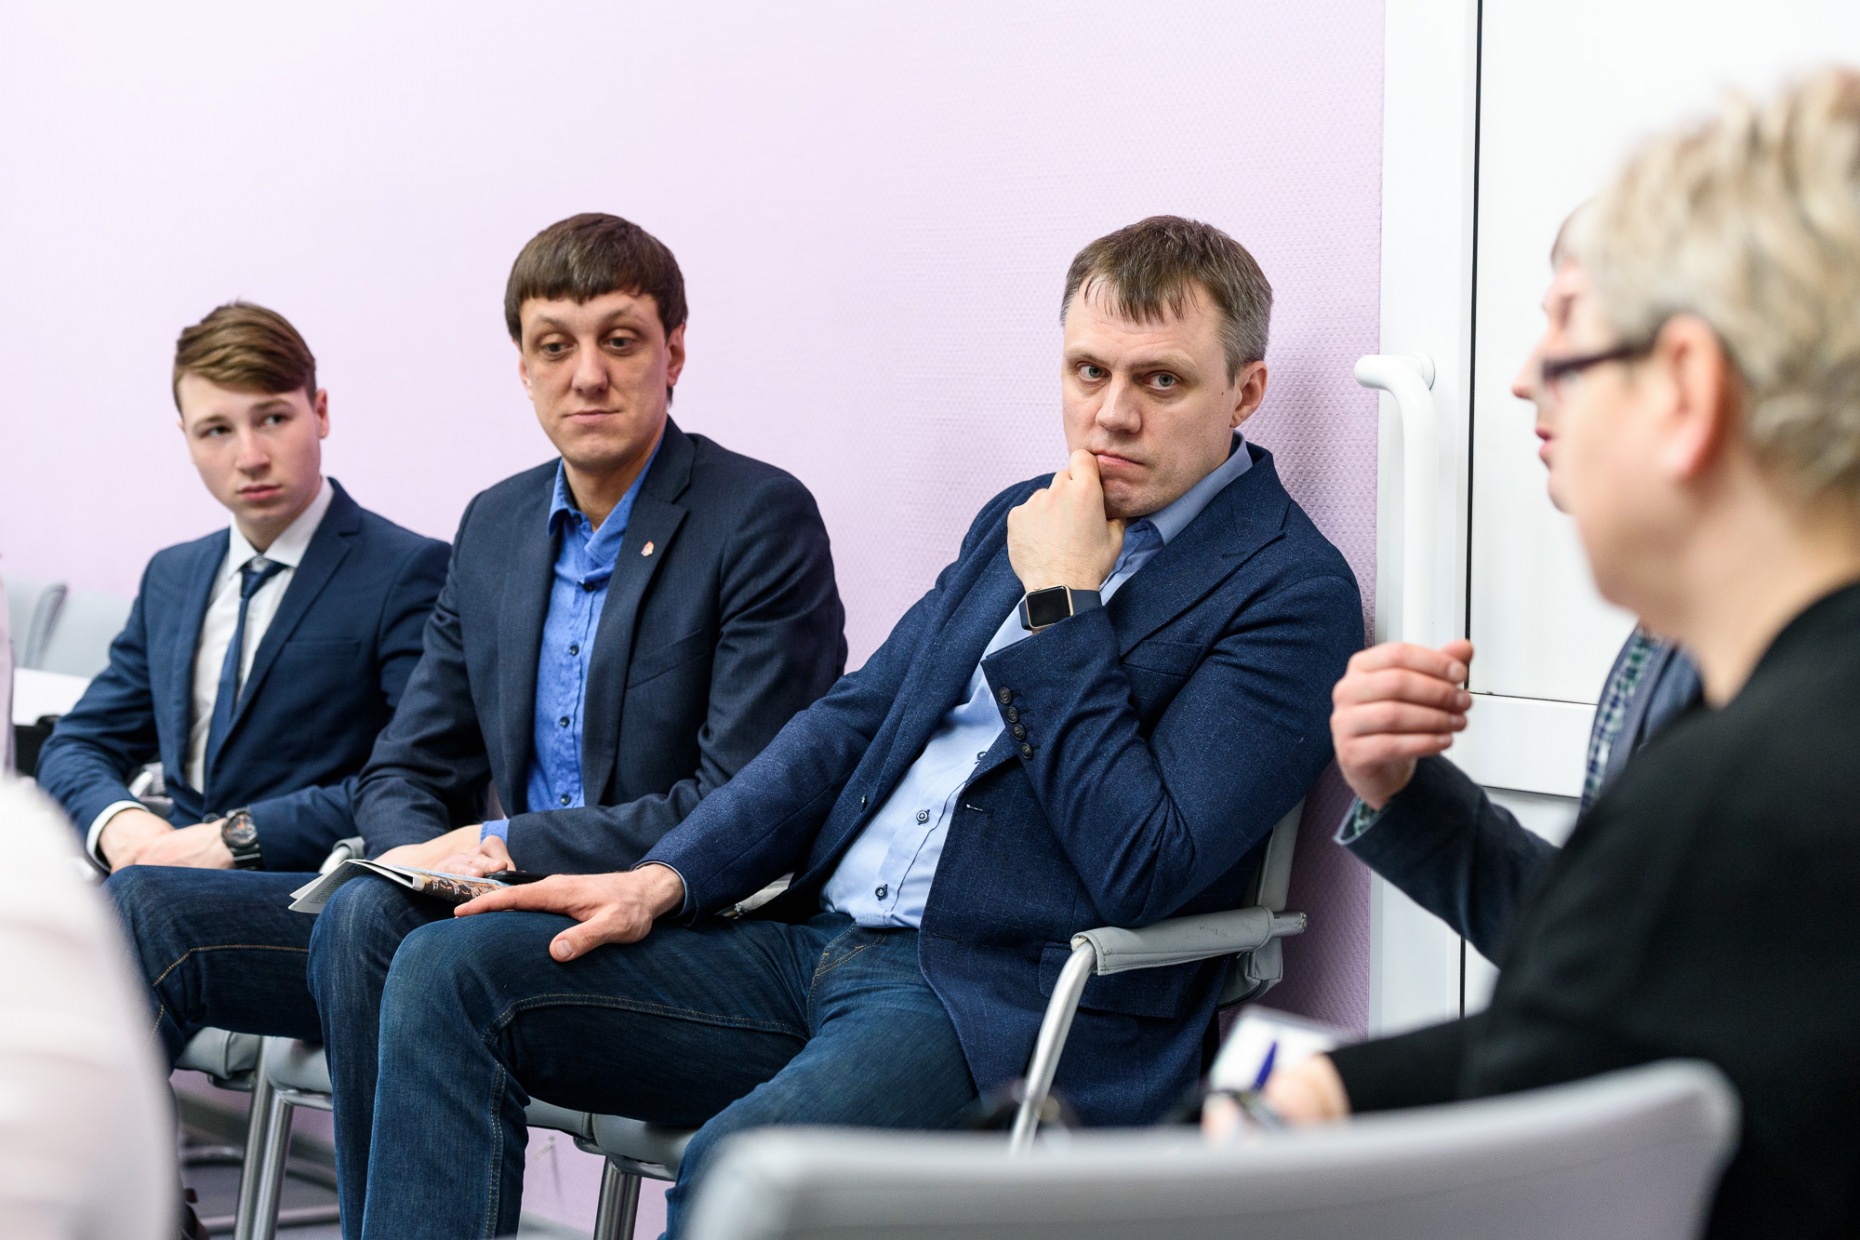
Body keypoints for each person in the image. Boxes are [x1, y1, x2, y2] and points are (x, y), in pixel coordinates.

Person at [343, 214, 1366, 1239]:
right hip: (812, 938)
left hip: (993, 999)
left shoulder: (1289, 591)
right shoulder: (1022, 513)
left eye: (1161, 381)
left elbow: (1143, 863)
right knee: (445, 975)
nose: (1111, 415)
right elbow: (853, 720)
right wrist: (668, 877)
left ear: (1245, 392)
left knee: (745, 1173)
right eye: (1088, 371)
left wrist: (1063, 605)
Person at [108, 212, 848, 1234]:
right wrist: (422, 859)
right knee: (154, 906)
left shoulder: (756, 517)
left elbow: (739, 806)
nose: (587, 375)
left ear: (674, 351)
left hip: (664, 925)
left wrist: (501, 844)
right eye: (555, 345)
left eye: (620, 340)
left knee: (386, 936)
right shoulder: (497, 524)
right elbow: (406, 764)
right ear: (523, 367)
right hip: (486, 906)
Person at [1260, 69, 1860, 1239]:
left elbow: (1546, 1137)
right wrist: (1340, 1087)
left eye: (1571, 332)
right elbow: (1639, 990)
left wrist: (1281, 1121)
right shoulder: (1746, 708)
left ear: (1686, 389)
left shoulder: (1740, 792)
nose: (1528, 376)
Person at [1329, 218, 1701, 960]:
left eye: (1571, 321)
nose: (1524, 379)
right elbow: (1596, 949)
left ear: (1695, 376)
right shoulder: (1671, 634)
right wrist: (1401, 790)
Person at [35, 302, 449, 873]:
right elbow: (78, 743)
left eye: (273, 419)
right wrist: (121, 825)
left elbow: (422, 782)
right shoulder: (172, 576)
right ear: (187, 438)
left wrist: (231, 841)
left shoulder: (409, 570)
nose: (250, 457)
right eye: (217, 431)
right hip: (162, 875)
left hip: (304, 884)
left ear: (320, 412)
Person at [0, 777, 174, 1240]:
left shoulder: (17, 846)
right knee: (136, 895)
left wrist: (240, 835)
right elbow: (78, 743)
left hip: (288, 871)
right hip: (155, 864)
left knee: (139, 899)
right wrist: (117, 816)